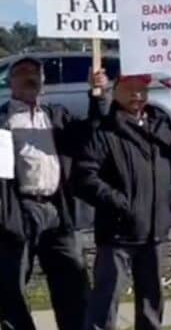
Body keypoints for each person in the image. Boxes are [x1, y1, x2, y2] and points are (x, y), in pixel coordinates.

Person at [75, 74, 171, 330]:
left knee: (152, 301)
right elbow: (84, 178)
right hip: (118, 234)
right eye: (129, 90)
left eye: (142, 90)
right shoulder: (104, 129)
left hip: (155, 232)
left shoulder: (160, 124)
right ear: (115, 91)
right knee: (105, 302)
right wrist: (121, 204)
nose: (137, 96)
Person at [0, 56, 106, 330]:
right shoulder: (3, 120)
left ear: (44, 82)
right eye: (22, 73)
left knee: (73, 281)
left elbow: (89, 133)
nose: (29, 78)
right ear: (10, 82)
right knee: (11, 288)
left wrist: (97, 96)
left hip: (58, 211)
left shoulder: (56, 115)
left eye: (36, 73)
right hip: (20, 212)